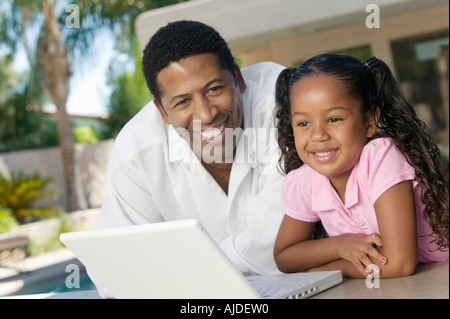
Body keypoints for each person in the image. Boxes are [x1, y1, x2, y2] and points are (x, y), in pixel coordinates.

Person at [92, 20, 286, 296]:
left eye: (214, 89)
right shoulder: (137, 151)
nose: (206, 114)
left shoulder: (283, 104)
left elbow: (278, 239)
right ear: (161, 111)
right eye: (183, 102)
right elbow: (113, 267)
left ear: (238, 78)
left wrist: (175, 272)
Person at [273, 53, 449, 279]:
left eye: (334, 119)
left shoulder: (380, 158)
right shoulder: (303, 181)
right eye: (303, 123)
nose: (317, 135)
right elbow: (284, 255)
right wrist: (340, 246)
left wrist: (326, 270)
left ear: (368, 122)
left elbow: (399, 264)